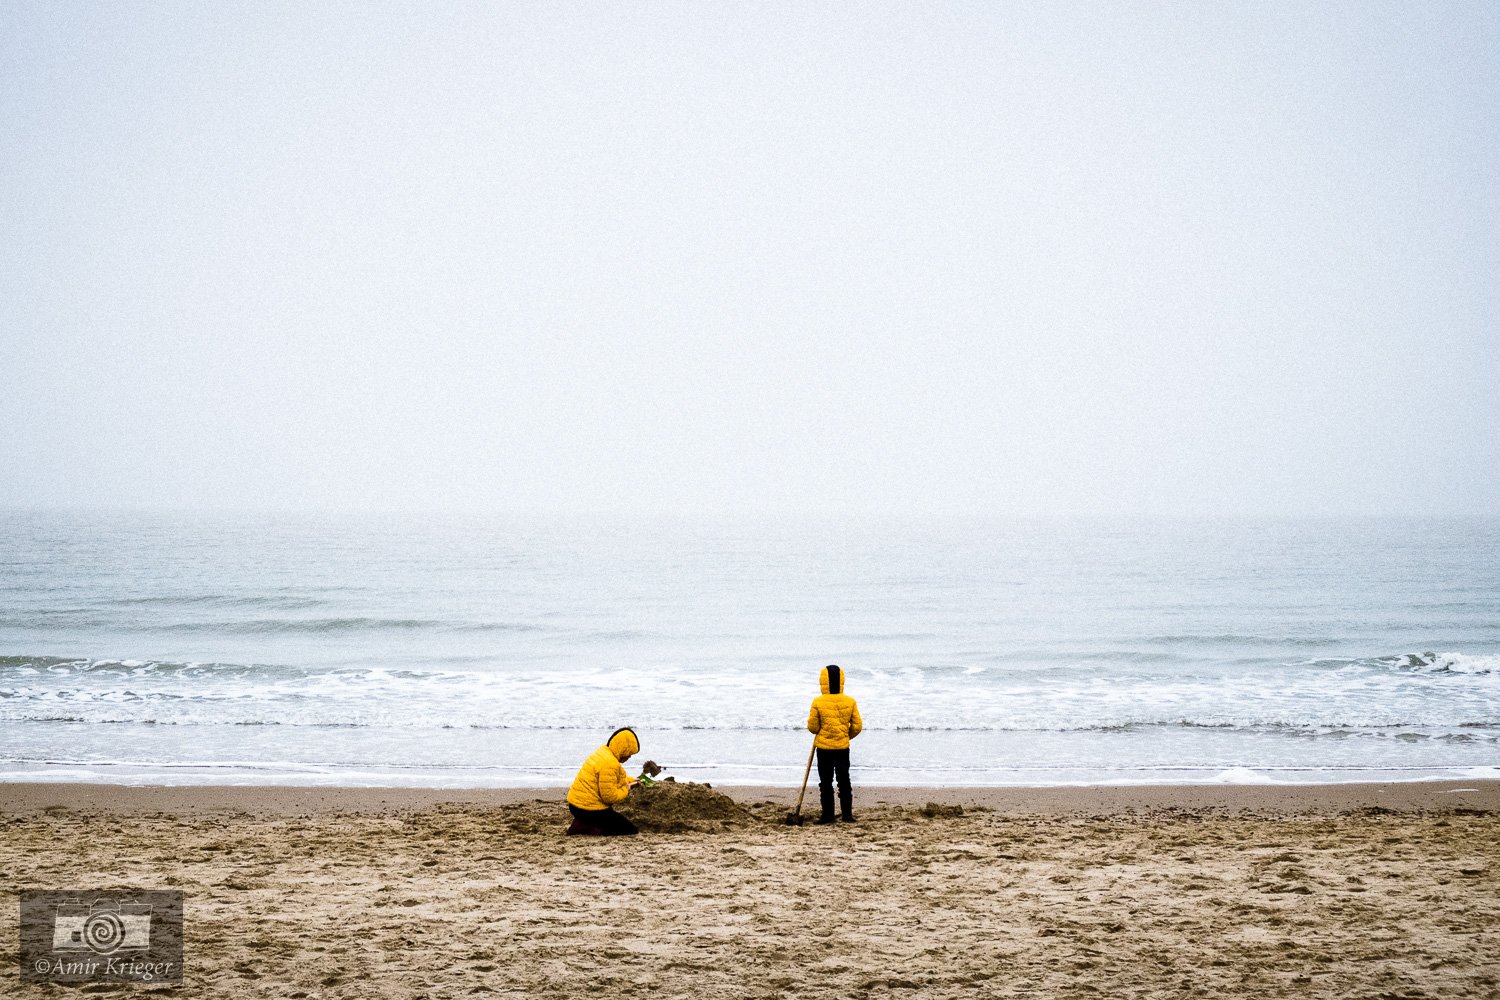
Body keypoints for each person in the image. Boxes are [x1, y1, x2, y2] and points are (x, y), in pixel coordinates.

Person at [807, 664, 863, 824]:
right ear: (842, 681)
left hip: (824, 748)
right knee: (844, 781)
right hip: (842, 748)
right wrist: (845, 736)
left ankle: (828, 816)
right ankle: (847, 815)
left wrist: (824, 733)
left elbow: (813, 727)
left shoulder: (818, 702)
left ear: (823, 681)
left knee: (825, 783)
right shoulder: (850, 701)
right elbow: (857, 726)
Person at [565, 727, 642, 836]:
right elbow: (609, 797)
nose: (629, 757)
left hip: (575, 804)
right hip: (588, 808)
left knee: (614, 821)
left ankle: (583, 822)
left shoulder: (603, 752)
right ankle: (585, 828)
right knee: (629, 829)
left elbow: (613, 779)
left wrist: (631, 780)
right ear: (623, 749)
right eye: (629, 753)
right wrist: (626, 789)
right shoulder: (610, 764)